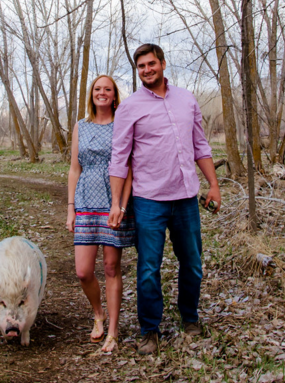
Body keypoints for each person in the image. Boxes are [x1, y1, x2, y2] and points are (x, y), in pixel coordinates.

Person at [108, 44, 221, 355]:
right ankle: (149, 330)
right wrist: (117, 203)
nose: (146, 70)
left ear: (163, 64)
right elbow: (119, 159)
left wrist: (213, 184)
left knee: (193, 265)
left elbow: (201, 144)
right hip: (149, 201)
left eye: (151, 64)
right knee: (147, 269)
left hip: (186, 199)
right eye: (141, 66)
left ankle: (190, 319)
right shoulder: (129, 107)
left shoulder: (186, 99)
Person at [66, 75, 135, 352]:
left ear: (114, 94)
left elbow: (129, 167)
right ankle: (98, 313)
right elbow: (74, 168)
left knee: (110, 267)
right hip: (85, 201)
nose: (102, 93)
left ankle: (113, 333)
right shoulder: (80, 127)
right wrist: (70, 207)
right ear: (91, 94)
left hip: (113, 202)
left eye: (107, 89)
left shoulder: (122, 124)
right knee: (83, 272)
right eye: (97, 89)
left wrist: (121, 205)